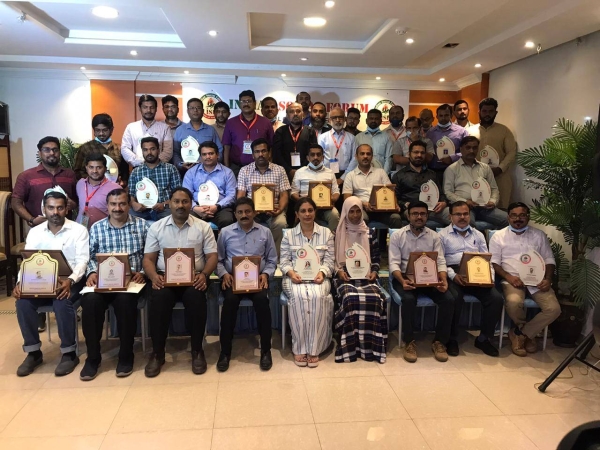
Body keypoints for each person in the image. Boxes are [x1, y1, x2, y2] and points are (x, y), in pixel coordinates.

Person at [142, 187, 217, 377]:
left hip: (194, 278)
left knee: (196, 298)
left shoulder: (203, 227)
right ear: (170, 203)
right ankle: (158, 353)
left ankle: (197, 350)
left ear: (191, 204)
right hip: (165, 278)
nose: (180, 205)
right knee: (158, 300)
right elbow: (148, 259)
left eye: (185, 201)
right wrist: (153, 277)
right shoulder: (156, 227)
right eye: (176, 201)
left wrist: (205, 275)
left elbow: (212, 257)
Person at [12, 191, 89, 377]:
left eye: (60, 208)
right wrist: (21, 283)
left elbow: (82, 261)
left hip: (71, 280)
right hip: (42, 280)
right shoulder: (35, 232)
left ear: (66, 210)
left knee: (62, 301)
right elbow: (28, 261)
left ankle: (69, 353)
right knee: (22, 302)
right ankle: (33, 352)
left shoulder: (79, 230)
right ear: (44, 209)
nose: (56, 212)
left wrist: (70, 281)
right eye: (51, 208)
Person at [80, 189, 149, 380]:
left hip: (131, 283)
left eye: (122, 204)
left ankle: (126, 356)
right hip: (102, 281)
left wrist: (143, 272)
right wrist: (92, 272)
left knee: (125, 302)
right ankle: (93, 358)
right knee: (90, 302)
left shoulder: (143, 226)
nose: (117, 208)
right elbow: (91, 257)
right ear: (107, 206)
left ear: (129, 205)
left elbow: (151, 255)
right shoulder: (97, 228)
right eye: (113, 204)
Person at [11, 136, 78, 333]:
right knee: (38, 271)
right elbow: (16, 202)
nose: (52, 153)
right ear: (40, 153)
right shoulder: (27, 176)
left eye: (55, 150)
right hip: (40, 232)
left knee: (67, 267)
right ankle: (38, 314)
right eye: (47, 150)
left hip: (67, 233)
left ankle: (69, 303)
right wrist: (32, 220)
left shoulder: (70, 175)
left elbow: (76, 200)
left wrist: (71, 204)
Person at [489, 202, 561, 357]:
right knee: (514, 302)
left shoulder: (539, 235)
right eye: (514, 215)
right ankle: (528, 334)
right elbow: (494, 262)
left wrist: (548, 279)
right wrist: (509, 277)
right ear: (508, 217)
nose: (518, 219)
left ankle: (521, 334)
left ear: (528, 217)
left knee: (554, 309)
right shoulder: (498, 236)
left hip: (537, 281)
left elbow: (549, 259)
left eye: (522, 215)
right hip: (512, 280)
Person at [216, 197, 278, 372]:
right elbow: (219, 260)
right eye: (240, 212)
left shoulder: (265, 232)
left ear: (254, 212)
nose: (244, 215)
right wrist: (224, 274)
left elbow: (272, 260)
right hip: (233, 280)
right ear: (235, 214)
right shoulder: (225, 233)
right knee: (229, 304)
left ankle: (266, 350)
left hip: (256, 280)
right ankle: (225, 352)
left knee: (262, 303)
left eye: (248, 211)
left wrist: (266, 274)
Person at [389, 201, 454, 363]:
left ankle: (439, 342)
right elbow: (393, 263)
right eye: (415, 214)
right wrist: (402, 280)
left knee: (449, 299)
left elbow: (440, 261)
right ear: (408, 216)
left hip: (429, 278)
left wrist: (443, 280)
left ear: (427, 216)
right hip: (405, 278)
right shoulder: (398, 235)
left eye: (422, 214)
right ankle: (409, 342)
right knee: (409, 300)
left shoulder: (434, 236)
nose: (419, 217)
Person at [439, 201, 503, 357]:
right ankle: (451, 339)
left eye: (465, 214)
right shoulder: (442, 235)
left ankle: (483, 339)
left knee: (496, 299)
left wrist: (490, 278)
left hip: (477, 272)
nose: (462, 217)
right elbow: (440, 261)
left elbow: (487, 259)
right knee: (455, 297)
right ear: (450, 216)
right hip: (453, 272)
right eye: (458, 214)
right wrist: (453, 276)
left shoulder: (478, 234)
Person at [280, 198, 335, 367]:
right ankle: (300, 347)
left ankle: (315, 348)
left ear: (315, 212)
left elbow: (330, 261)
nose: (307, 214)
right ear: (296, 214)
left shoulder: (326, 233)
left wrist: (322, 272)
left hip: (319, 278)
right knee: (299, 297)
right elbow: (284, 262)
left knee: (317, 297)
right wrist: (291, 273)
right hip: (294, 278)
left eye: (310, 210)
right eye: (303, 211)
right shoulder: (288, 235)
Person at [333, 197, 387, 363]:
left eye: (358, 211)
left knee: (376, 298)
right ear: (345, 212)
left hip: (366, 277)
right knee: (350, 298)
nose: (355, 215)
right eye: (352, 211)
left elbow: (376, 257)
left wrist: (375, 272)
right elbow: (333, 259)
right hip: (345, 277)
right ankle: (350, 346)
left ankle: (371, 346)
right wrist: (339, 271)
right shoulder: (338, 232)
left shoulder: (369, 233)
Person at [236, 138, 290, 254]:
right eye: (257, 151)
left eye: (264, 151)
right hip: (252, 212)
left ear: (269, 153)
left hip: (274, 210)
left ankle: (276, 259)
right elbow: (241, 195)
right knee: (245, 222)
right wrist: (249, 211)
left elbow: (284, 194)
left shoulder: (279, 170)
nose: (261, 154)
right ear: (252, 154)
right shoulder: (244, 170)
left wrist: (279, 209)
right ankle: (254, 256)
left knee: (281, 223)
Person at [443, 136, 508, 229]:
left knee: (508, 219)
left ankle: (496, 242)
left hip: (485, 207)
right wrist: (465, 202)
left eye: (474, 148)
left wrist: (493, 202)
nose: (471, 151)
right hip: (465, 208)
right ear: (461, 149)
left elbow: (494, 189)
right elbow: (448, 192)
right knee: (467, 223)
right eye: (468, 147)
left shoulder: (485, 167)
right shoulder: (452, 169)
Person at [467, 98, 517, 209]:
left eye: (491, 111)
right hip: (475, 176)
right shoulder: (470, 131)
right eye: (484, 111)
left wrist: (500, 169)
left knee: (500, 209)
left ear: (496, 112)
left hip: (499, 177)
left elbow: (511, 152)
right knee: (476, 208)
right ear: (479, 112)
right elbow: (465, 152)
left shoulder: (504, 130)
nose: (487, 114)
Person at [390, 140, 449, 228]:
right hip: (410, 210)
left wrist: (443, 203)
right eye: (416, 152)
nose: (419, 155)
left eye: (422, 153)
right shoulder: (399, 175)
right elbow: (395, 199)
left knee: (454, 214)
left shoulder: (432, 174)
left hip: (433, 210)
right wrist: (405, 205)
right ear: (409, 154)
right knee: (415, 216)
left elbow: (441, 194)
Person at [342, 144, 401, 227]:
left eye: (368, 154)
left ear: (372, 156)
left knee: (396, 218)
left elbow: (390, 191)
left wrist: (394, 204)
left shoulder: (381, 172)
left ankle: (393, 240)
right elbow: (347, 199)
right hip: (361, 209)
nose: (365, 156)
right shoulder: (350, 175)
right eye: (362, 154)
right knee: (361, 218)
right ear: (356, 156)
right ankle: (361, 240)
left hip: (382, 209)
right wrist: (362, 203)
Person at [182, 141, 236, 229]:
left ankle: (221, 242)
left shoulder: (227, 172)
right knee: (186, 218)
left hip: (220, 207)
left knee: (227, 220)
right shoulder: (191, 172)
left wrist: (217, 206)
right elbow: (185, 195)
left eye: (211, 153)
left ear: (217, 155)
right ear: (200, 156)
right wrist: (195, 208)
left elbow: (232, 195)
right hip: (197, 207)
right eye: (204, 154)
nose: (208, 157)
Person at [128, 136, 181, 223]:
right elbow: (131, 195)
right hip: (142, 210)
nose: (149, 152)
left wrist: (164, 204)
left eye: (152, 149)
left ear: (158, 150)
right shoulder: (136, 172)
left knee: (177, 215)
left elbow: (178, 194)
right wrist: (134, 204)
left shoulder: (170, 169)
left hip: (164, 209)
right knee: (128, 216)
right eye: (145, 150)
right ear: (142, 152)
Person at [222, 90, 274, 175]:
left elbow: (271, 147)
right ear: (239, 104)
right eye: (243, 101)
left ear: (254, 103)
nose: (246, 104)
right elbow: (226, 147)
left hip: (260, 168)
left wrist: (269, 166)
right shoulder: (231, 122)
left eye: (249, 101)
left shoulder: (265, 122)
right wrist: (227, 170)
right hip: (236, 168)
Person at [291, 144, 340, 232]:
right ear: (307, 157)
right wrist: (301, 199)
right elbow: (293, 193)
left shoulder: (330, 173)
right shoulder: (299, 172)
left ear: (323, 157)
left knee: (335, 214)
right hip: (306, 207)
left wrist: (330, 199)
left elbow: (336, 192)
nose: (315, 157)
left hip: (326, 208)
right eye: (312, 155)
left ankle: (333, 240)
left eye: (318, 154)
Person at [172, 98, 223, 175]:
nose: (195, 110)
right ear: (187, 111)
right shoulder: (180, 130)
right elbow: (175, 152)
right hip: (186, 172)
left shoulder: (210, 130)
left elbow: (219, 151)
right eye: (192, 108)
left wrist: (211, 162)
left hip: (208, 172)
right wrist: (180, 165)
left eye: (198, 108)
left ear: (203, 111)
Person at [121, 94, 173, 167]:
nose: (148, 110)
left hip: (160, 168)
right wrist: (140, 162)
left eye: (152, 107)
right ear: (140, 108)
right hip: (138, 168)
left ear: (156, 109)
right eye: (145, 107)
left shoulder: (165, 128)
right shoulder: (131, 127)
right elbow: (125, 149)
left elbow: (168, 151)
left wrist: (154, 163)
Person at [73, 113, 125, 182]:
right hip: (92, 189)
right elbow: (77, 172)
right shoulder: (85, 148)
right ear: (94, 130)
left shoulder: (119, 148)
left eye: (105, 130)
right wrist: (93, 180)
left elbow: (124, 171)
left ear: (111, 130)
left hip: (114, 188)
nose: (101, 133)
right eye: (98, 130)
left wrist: (123, 182)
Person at [273, 102, 317, 181]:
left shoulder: (310, 131)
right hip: (284, 173)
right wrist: (289, 170)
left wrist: (300, 170)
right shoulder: (280, 131)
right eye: (292, 112)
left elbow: (312, 153)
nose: (295, 114)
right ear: (287, 115)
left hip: (306, 173)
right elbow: (277, 154)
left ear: (303, 114)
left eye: (298, 111)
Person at [75, 153, 121, 229]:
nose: (94, 171)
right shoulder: (80, 183)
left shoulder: (115, 188)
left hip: (103, 232)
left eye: (99, 167)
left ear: (105, 169)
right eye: (91, 167)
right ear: (86, 168)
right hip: (80, 232)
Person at [426, 104, 469, 183]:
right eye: (441, 115)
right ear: (437, 116)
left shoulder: (461, 131)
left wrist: (452, 158)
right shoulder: (430, 133)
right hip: (434, 172)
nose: (443, 118)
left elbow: (467, 151)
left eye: (446, 115)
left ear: (451, 115)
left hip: (455, 171)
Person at [318, 106, 356, 183]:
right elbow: (319, 158)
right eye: (334, 118)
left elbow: (354, 158)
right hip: (326, 174)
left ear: (345, 119)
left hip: (346, 175)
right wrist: (325, 174)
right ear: (329, 120)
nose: (338, 120)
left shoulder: (352, 138)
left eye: (340, 117)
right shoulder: (322, 137)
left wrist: (343, 178)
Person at [348, 109, 393, 173]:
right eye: (371, 118)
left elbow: (388, 159)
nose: (373, 120)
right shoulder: (358, 137)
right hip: (361, 174)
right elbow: (355, 158)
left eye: (376, 119)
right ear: (366, 121)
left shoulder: (387, 137)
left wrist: (384, 174)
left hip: (379, 173)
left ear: (380, 121)